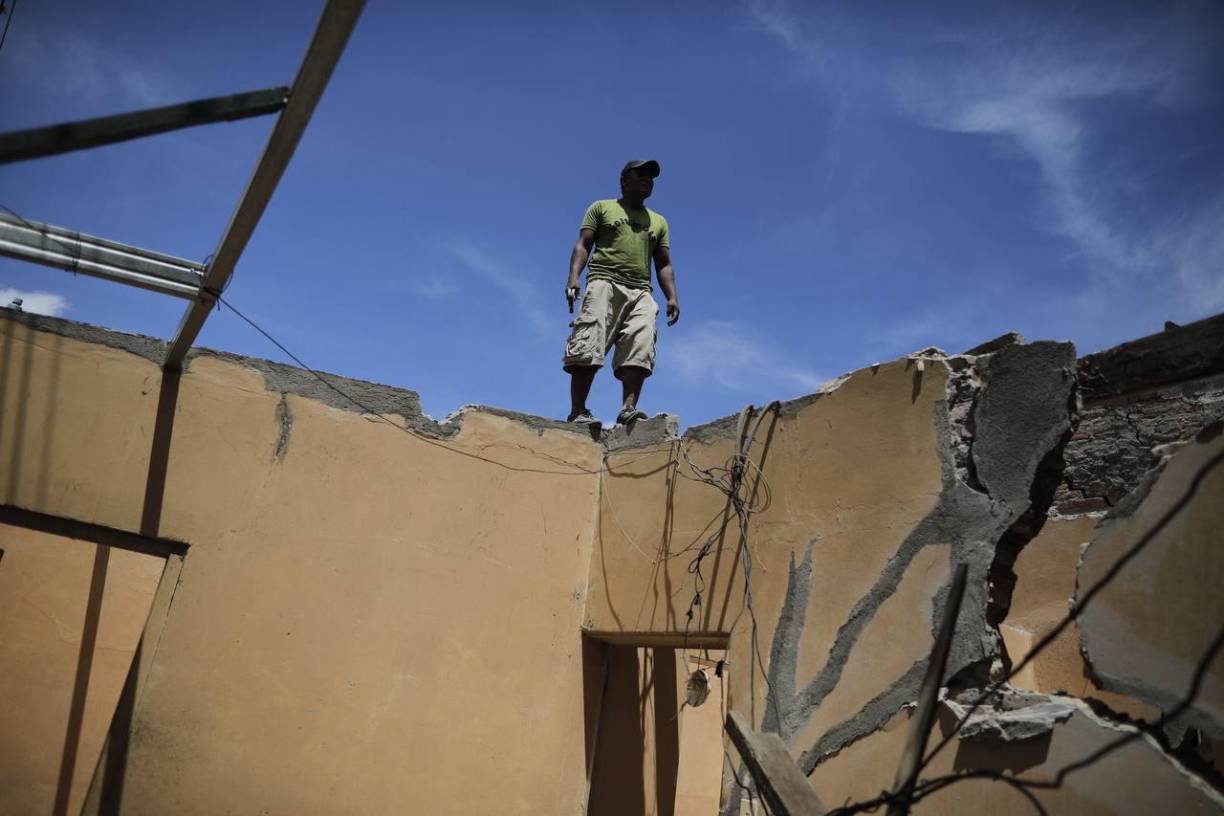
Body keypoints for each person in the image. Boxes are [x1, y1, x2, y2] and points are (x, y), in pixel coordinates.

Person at [562, 159, 681, 426]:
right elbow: (583, 244)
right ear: (624, 179)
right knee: (588, 342)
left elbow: (663, 263)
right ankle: (578, 411)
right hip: (604, 281)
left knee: (640, 347)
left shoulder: (659, 221)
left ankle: (628, 410)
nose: (648, 180)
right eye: (641, 174)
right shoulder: (602, 207)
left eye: (651, 177)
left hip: (641, 290)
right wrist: (573, 277)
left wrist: (672, 296)